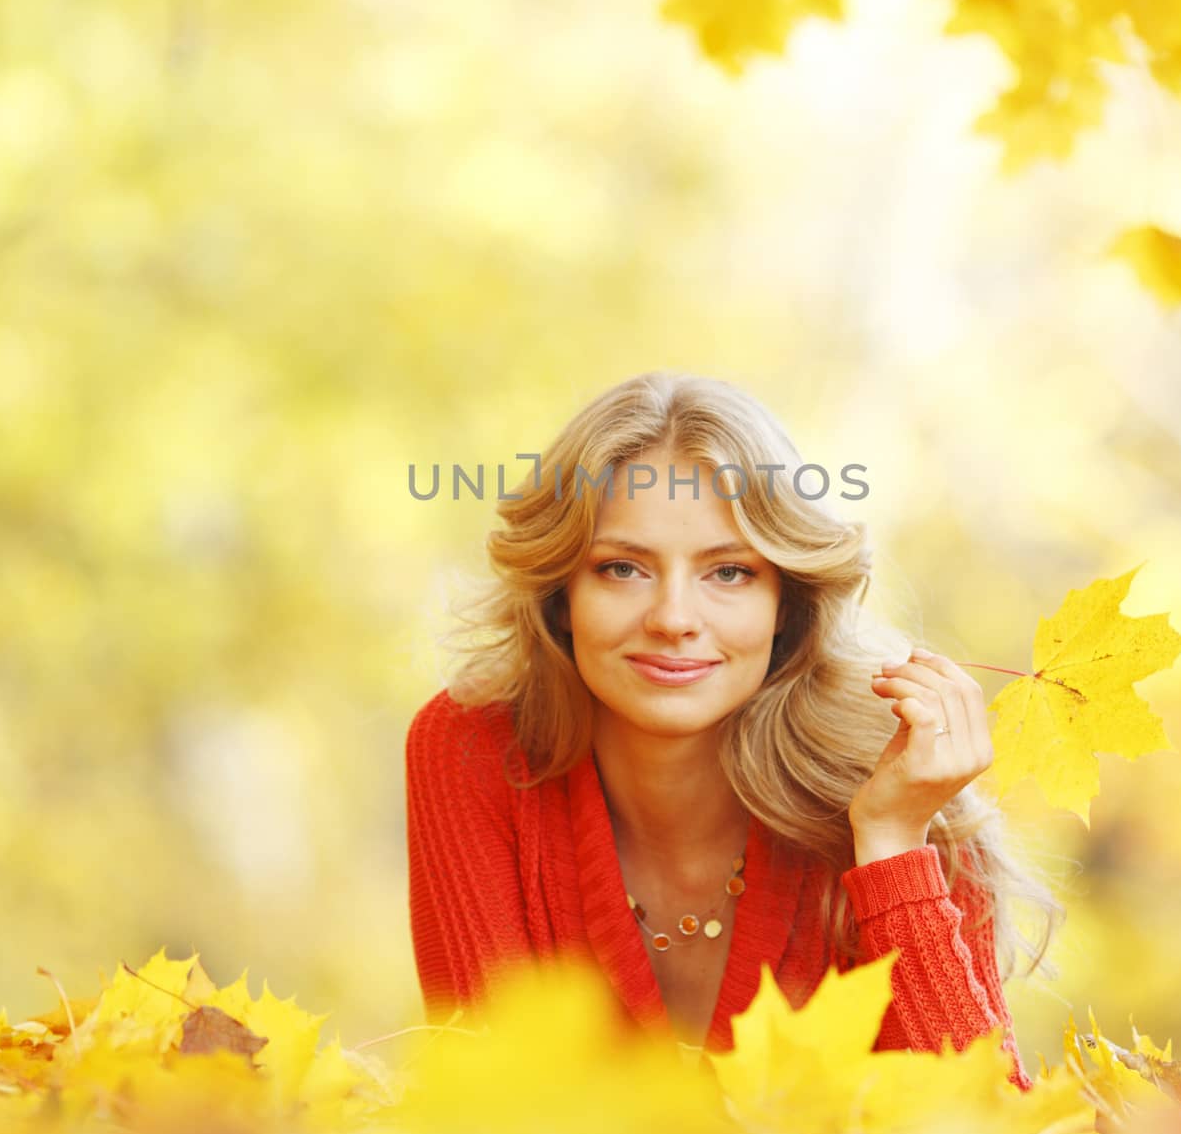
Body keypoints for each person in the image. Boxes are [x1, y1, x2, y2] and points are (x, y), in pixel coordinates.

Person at [405, 371, 1064, 1086]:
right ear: (562, 596)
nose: (674, 618)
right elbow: (492, 1114)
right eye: (622, 568)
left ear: (788, 601)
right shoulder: (472, 749)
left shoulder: (897, 772)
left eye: (729, 573)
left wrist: (892, 844)